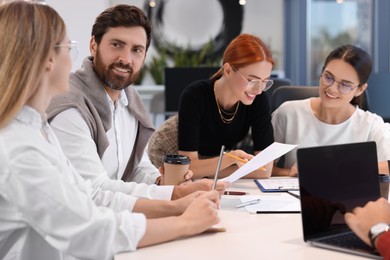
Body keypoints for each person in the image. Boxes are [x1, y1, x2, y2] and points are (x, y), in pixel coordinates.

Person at [0, 1, 221, 259]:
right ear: (48, 59)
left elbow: (88, 198)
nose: (73, 59)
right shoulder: (20, 147)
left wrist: (174, 203)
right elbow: (89, 231)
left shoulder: (38, 130)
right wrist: (185, 222)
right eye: (69, 48)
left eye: (137, 49)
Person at [46, 4, 227, 201]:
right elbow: (94, 190)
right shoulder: (71, 106)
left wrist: (160, 181)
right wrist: (173, 194)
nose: (126, 59)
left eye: (136, 50)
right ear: (93, 45)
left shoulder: (130, 100)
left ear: (144, 57)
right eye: (116, 45)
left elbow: (136, 167)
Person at [272, 45, 390, 176]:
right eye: (328, 77)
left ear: (360, 89)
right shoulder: (288, 113)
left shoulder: (372, 125)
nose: (332, 89)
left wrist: (335, 167)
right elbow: (262, 169)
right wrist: (291, 173)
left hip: (350, 195)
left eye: (345, 85)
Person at [176, 34, 275, 179]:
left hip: (213, 165)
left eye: (265, 82)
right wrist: (229, 160)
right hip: (170, 154)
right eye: (252, 80)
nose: (258, 90)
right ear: (228, 70)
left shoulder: (258, 99)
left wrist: (213, 168)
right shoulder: (195, 95)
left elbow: (265, 170)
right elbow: (186, 168)